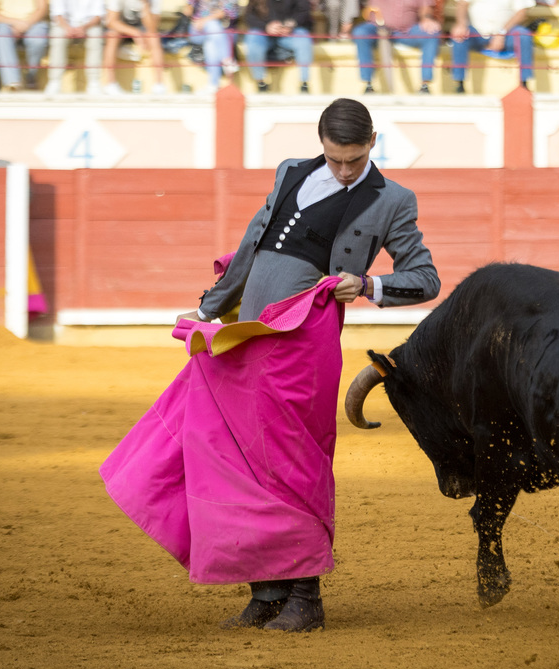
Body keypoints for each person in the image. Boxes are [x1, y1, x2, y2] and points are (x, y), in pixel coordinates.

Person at [166, 98, 439, 633]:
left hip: (304, 348)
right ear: (321, 143)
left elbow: (425, 278)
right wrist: (207, 308)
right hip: (246, 338)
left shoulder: (393, 200)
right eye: (336, 159)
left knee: (294, 460)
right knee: (245, 459)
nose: (343, 171)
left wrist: (370, 285)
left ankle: (305, 596)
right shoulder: (291, 171)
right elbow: (251, 247)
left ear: (373, 143)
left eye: (355, 160)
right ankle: (266, 593)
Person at [450, 0, 534, 94]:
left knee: (524, 36)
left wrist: (502, 32)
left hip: (506, 33)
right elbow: (461, 3)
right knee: (460, 35)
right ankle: (459, 83)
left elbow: (522, 11)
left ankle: (524, 83)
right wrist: (461, 23)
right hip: (477, 32)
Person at [242, 0, 314, 94]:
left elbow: (304, 10)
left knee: (304, 38)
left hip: (290, 33)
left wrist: (291, 24)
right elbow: (249, 15)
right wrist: (266, 27)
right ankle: (261, 82)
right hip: (265, 34)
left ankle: (304, 83)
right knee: (252, 38)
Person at [46, 0, 105, 95]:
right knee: (57, 35)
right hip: (66, 25)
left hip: (87, 25)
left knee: (96, 34)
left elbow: (98, 15)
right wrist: (68, 28)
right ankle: (55, 82)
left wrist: (83, 28)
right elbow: (57, 13)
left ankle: (94, 82)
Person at [102, 0, 165, 94]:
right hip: (124, 30)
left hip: (144, 29)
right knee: (112, 35)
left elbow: (152, 28)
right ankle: (110, 84)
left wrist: (145, 3)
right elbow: (111, 22)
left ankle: (159, 85)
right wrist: (135, 33)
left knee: (154, 38)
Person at [183, 0, 240, 95]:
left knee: (211, 41)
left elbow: (228, 11)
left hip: (219, 32)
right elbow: (191, 0)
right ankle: (227, 60)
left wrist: (205, 20)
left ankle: (212, 84)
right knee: (213, 28)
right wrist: (189, 9)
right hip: (198, 30)